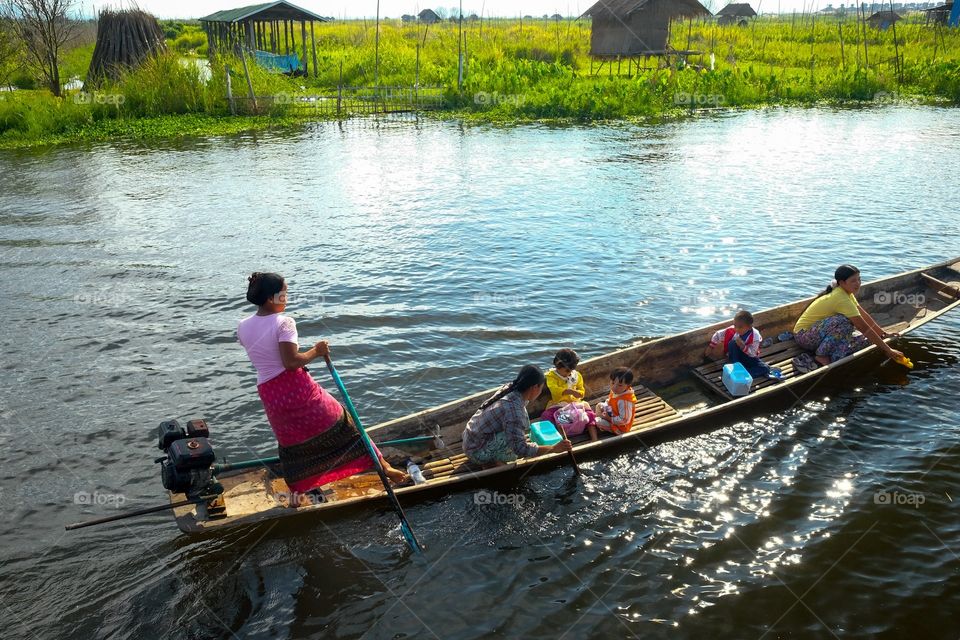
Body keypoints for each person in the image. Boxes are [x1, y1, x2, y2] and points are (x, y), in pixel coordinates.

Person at [237, 272, 406, 506]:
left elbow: (266, 356)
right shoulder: (284, 322)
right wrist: (317, 350)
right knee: (346, 426)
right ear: (270, 298)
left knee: (292, 444)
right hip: (296, 389)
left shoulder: (243, 326)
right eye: (283, 294)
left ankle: (296, 497)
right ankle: (385, 468)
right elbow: (291, 362)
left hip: (270, 395)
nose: (286, 298)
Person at [793, 264, 905, 368]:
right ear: (842, 283)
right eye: (853, 281)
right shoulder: (840, 298)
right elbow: (863, 327)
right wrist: (889, 350)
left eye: (859, 279)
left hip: (819, 335)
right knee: (845, 321)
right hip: (804, 336)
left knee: (866, 340)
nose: (858, 283)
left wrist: (883, 334)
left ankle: (832, 352)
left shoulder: (847, 293)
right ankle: (821, 355)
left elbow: (863, 315)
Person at [462, 365, 572, 467]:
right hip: (476, 451)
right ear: (534, 387)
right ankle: (489, 461)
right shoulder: (514, 410)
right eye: (541, 388)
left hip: (470, 439)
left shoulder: (511, 388)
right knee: (513, 454)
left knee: (520, 429)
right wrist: (553, 448)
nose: (540, 392)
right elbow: (520, 449)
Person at [705, 310, 779, 378]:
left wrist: (743, 346)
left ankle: (742, 372)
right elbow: (718, 334)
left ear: (749, 327)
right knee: (732, 343)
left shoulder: (755, 336)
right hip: (735, 357)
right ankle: (737, 367)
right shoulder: (733, 329)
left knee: (765, 368)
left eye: (740, 327)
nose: (736, 329)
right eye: (735, 326)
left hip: (749, 357)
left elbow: (752, 354)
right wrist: (711, 347)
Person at [540, 348, 597, 433]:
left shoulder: (576, 375)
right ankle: (559, 436)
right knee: (546, 416)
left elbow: (581, 390)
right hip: (559, 405)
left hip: (575, 404)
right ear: (558, 365)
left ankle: (594, 437)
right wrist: (569, 391)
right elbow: (555, 390)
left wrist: (579, 394)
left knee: (590, 414)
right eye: (567, 370)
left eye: (571, 370)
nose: (569, 373)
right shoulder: (551, 376)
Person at [588, 367, 637, 441]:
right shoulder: (617, 391)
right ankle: (602, 419)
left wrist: (608, 418)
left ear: (628, 386)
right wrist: (605, 408)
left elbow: (624, 420)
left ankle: (602, 423)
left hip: (620, 427)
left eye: (620, 385)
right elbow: (610, 401)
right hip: (613, 414)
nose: (614, 387)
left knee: (597, 421)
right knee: (599, 405)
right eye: (613, 383)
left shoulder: (625, 401)